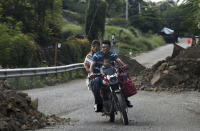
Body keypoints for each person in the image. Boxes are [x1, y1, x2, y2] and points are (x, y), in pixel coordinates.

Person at [90, 40, 132, 112]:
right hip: (100, 75)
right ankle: (99, 104)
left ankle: (125, 99)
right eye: (103, 47)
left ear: (109, 47)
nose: (104, 49)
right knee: (95, 82)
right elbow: (92, 64)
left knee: (123, 78)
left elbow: (118, 60)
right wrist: (91, 72)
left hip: (112, 75)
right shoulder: (97, 55)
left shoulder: (112, 54)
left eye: (106, 47)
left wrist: (124, 65)